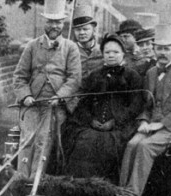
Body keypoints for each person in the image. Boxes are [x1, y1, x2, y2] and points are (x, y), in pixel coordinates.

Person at [119, 25, 171, 196]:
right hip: (153, 124)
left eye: (167, 49)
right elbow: (147, 104)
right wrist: (143, 120)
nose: (162, 53)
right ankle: (121, 191)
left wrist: (160, 124)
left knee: (145, 146)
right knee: (132, 144)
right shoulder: (151, 73)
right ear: (154, 49)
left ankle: (133, 195)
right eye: (159, 48)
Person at [11, 0, 81, 179]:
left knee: (44, 140)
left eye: (58, 22)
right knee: (27, 140)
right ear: (44, 22)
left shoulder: (71, 48)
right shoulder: (32, 46)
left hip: (55, 106)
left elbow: (74, 79)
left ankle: (35, 184)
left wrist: (60, 96)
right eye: (50, 21)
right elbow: (19, 76)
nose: (54, 26)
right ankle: (21, 182)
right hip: (32, 104)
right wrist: (25, 96)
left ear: (63, 23)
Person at [63, 34, 144, 182]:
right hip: (93, 124)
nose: (111, 55)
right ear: (102, 54)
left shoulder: (132, 76)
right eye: (107, 52)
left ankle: (106, 189)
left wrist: (115, 121)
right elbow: (84, 102)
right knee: (83, 142)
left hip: (119, 126)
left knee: (109, 145)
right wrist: (91, 120)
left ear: (123, 54)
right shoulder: (95, 75)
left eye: (115, 52)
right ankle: (79, 186)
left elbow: (136, 105)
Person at [70, 3, 102, 78]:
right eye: (78, 30)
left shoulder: (102, 50)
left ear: (93, 30)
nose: (81, 33)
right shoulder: (69, 52)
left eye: (85, 29)